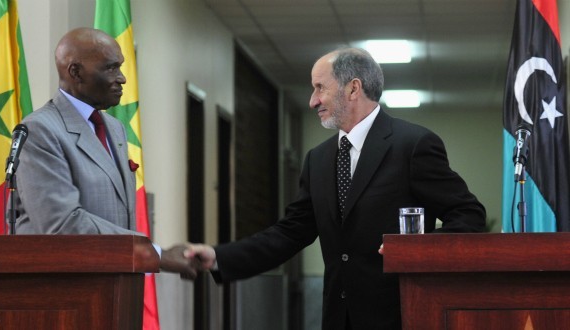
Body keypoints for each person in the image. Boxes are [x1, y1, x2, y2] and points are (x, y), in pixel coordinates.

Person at [186, 47, 486, 329]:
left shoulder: (413, 145)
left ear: (353, 89)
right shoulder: (318, 159)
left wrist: (415, 252)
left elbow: (468, 215)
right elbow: (291, 232)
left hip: (401, 315)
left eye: (320, 87)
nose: (312, 101)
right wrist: (219, 256)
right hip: (337, 319)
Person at [14, 27, 195, 277]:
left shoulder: (114, 128)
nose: (122, 78)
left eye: (119, 67)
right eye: (110, 68)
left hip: (113, 285)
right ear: (75, 72)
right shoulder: (40, 130)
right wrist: (155, 254)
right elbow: (63, 224)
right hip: (65, 292)